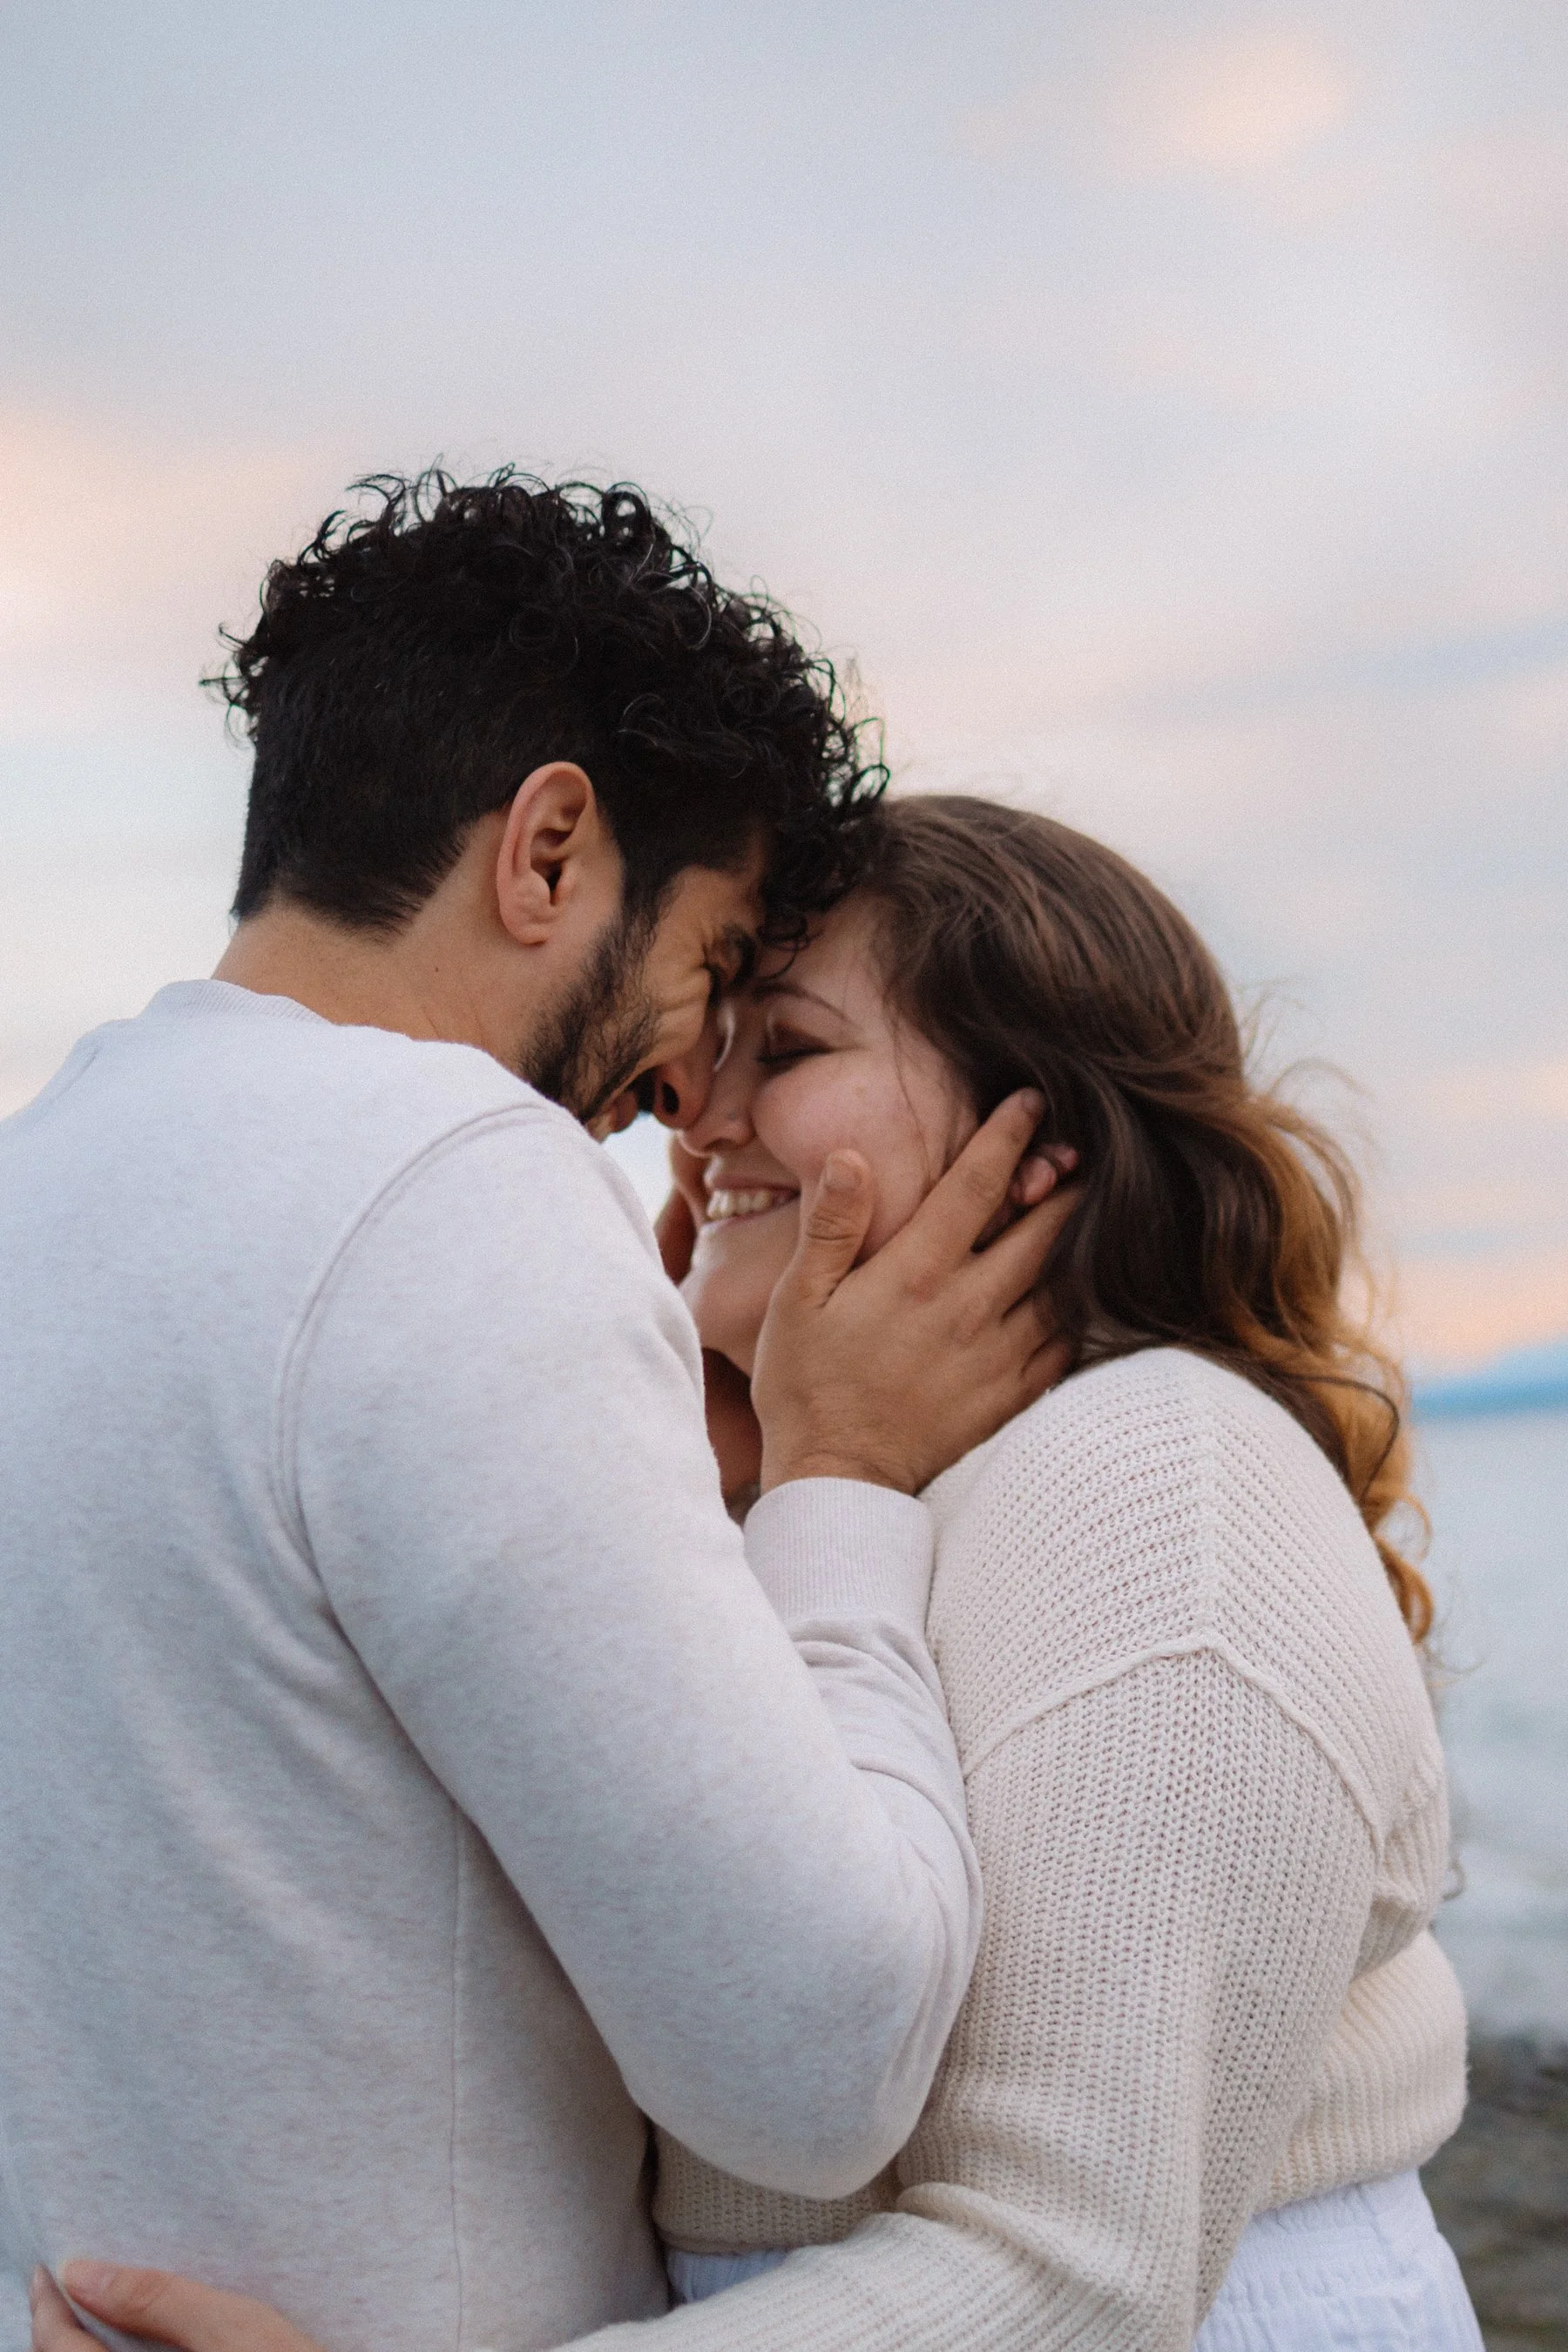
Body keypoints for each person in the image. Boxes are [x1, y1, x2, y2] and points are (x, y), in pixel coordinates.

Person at [36, 794, 1483, 2352]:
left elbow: (1077, 2273)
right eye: (713, 1044)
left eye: (784, 1050)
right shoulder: (806, 1499)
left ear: (1038, 1146)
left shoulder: (1155, 1475)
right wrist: (738, 1469)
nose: (698, 1115)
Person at [0, 483, 1077, 2352]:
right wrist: (840, 1477)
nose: (686, 1085)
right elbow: (819, 2063)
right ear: (550, 849)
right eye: (715, 966)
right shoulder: (452, 1187)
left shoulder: (41, 1190)